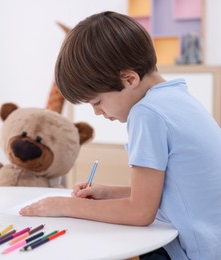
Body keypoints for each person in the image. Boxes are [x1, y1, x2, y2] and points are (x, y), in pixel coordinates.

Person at [19, 11, 221, 260]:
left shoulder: (147, 113)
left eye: (98, 101)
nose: (97, 112)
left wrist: (65, 206)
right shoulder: (178, 97)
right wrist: (109, 193)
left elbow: (140, 213)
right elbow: (175, 189)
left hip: (194, 252)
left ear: (129, 79)